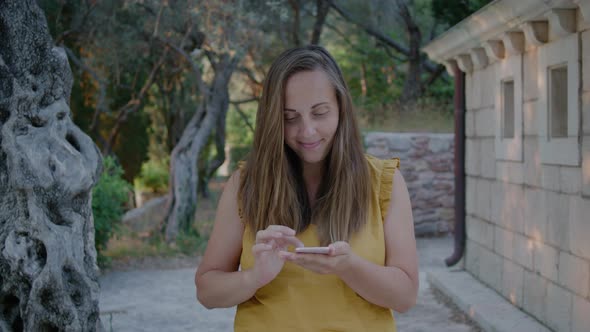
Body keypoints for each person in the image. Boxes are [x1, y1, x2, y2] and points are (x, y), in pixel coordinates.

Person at [195, 45, 418, 331]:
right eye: (290, 118)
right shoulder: (245, 185)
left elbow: (406, 296)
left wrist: (349, 267)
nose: (307, 131)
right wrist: (254, 277)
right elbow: (206, 291)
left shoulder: (384, 183)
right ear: (273, 119)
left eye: (320, 113)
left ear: (341, 107)